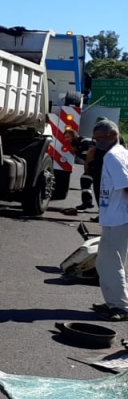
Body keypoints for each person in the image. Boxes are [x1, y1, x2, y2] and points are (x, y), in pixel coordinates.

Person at [90, 119, 128, 322]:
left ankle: (120, 307)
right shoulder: (119, 153)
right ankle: (114, 301)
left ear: (113, 136)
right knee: (112, 262)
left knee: (109, 264)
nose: (97, 143)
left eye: (100, 139)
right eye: (95, 139)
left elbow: (126, 184)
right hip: (116, 217)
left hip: (118, 218)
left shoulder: (113, 156)